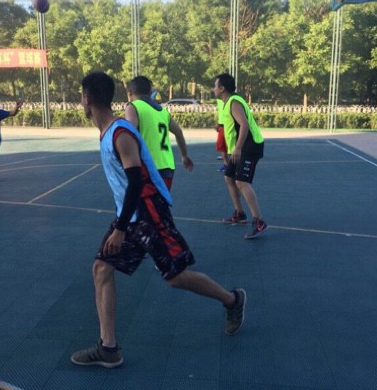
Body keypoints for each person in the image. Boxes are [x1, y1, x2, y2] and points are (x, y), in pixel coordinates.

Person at [70, 71, 246, 369]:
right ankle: (108, 348)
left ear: (86, 98)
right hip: (131, 213)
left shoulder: (120, 133)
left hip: (148, 212)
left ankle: (232, 300)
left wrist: (120, 229)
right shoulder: (110, 131)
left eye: (81, 96)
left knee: (175, 277)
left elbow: (137, 182)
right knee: (101, 269)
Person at [213, 73, 267, 239]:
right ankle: (240, 213)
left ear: (222, 88)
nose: (213, 89)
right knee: (229, 178)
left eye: (215, 86)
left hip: (250, 146)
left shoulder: (234, 102)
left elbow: (244, 125)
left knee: (241, 182)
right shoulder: (227, 102)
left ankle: (259, 221)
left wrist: (237, 148)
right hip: (241, 147)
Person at [125, 75, 193, 190]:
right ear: (150, 92)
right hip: (167, 166)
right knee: (161, 201)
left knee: (143, 201)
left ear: (130, 93)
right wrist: (184, 156)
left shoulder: (133, 107)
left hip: (148, 167)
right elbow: (179, 132)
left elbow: (129, 136)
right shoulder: (162, 112)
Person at [215, 98, 229, 172]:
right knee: (221, 146)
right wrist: (218, 123)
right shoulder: (219, 99)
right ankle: (226, 164)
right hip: (222, 126)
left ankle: (234, 165)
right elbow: (221, 112)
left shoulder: (230, 98)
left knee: (231, 147)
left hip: (229, 125)